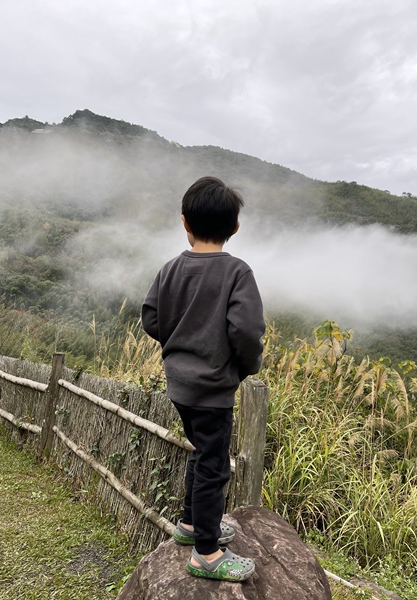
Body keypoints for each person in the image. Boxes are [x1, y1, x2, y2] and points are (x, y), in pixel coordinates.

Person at [141, 176, 265, 582]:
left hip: (179, 385)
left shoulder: (171, 269)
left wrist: (180, 345)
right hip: (213, 389)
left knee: (201, 450)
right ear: (234, 227)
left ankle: (192, 524)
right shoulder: (237, 273)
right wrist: (243, 367)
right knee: (214, 465)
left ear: (184, 222)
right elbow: (246, 332)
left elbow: (151, 318)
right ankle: (207, 553)